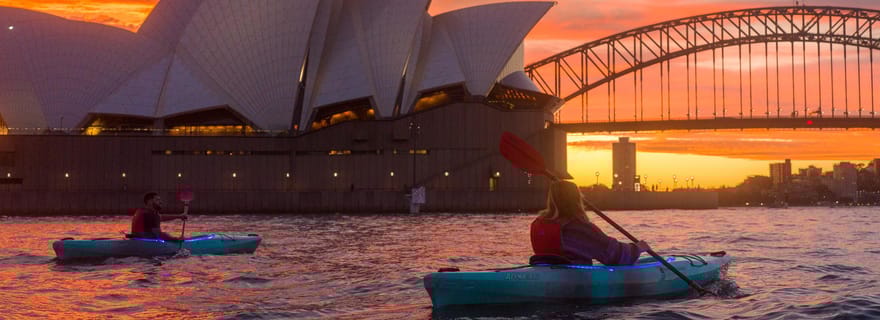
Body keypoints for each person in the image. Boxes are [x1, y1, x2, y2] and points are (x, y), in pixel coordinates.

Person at [530, 180, 651, 265]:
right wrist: (637, 248)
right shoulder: (578, 228)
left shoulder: (538, 223)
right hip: (574, 279)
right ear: (577, 199)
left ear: (551, 199)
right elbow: (614, 256)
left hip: (544, 272)